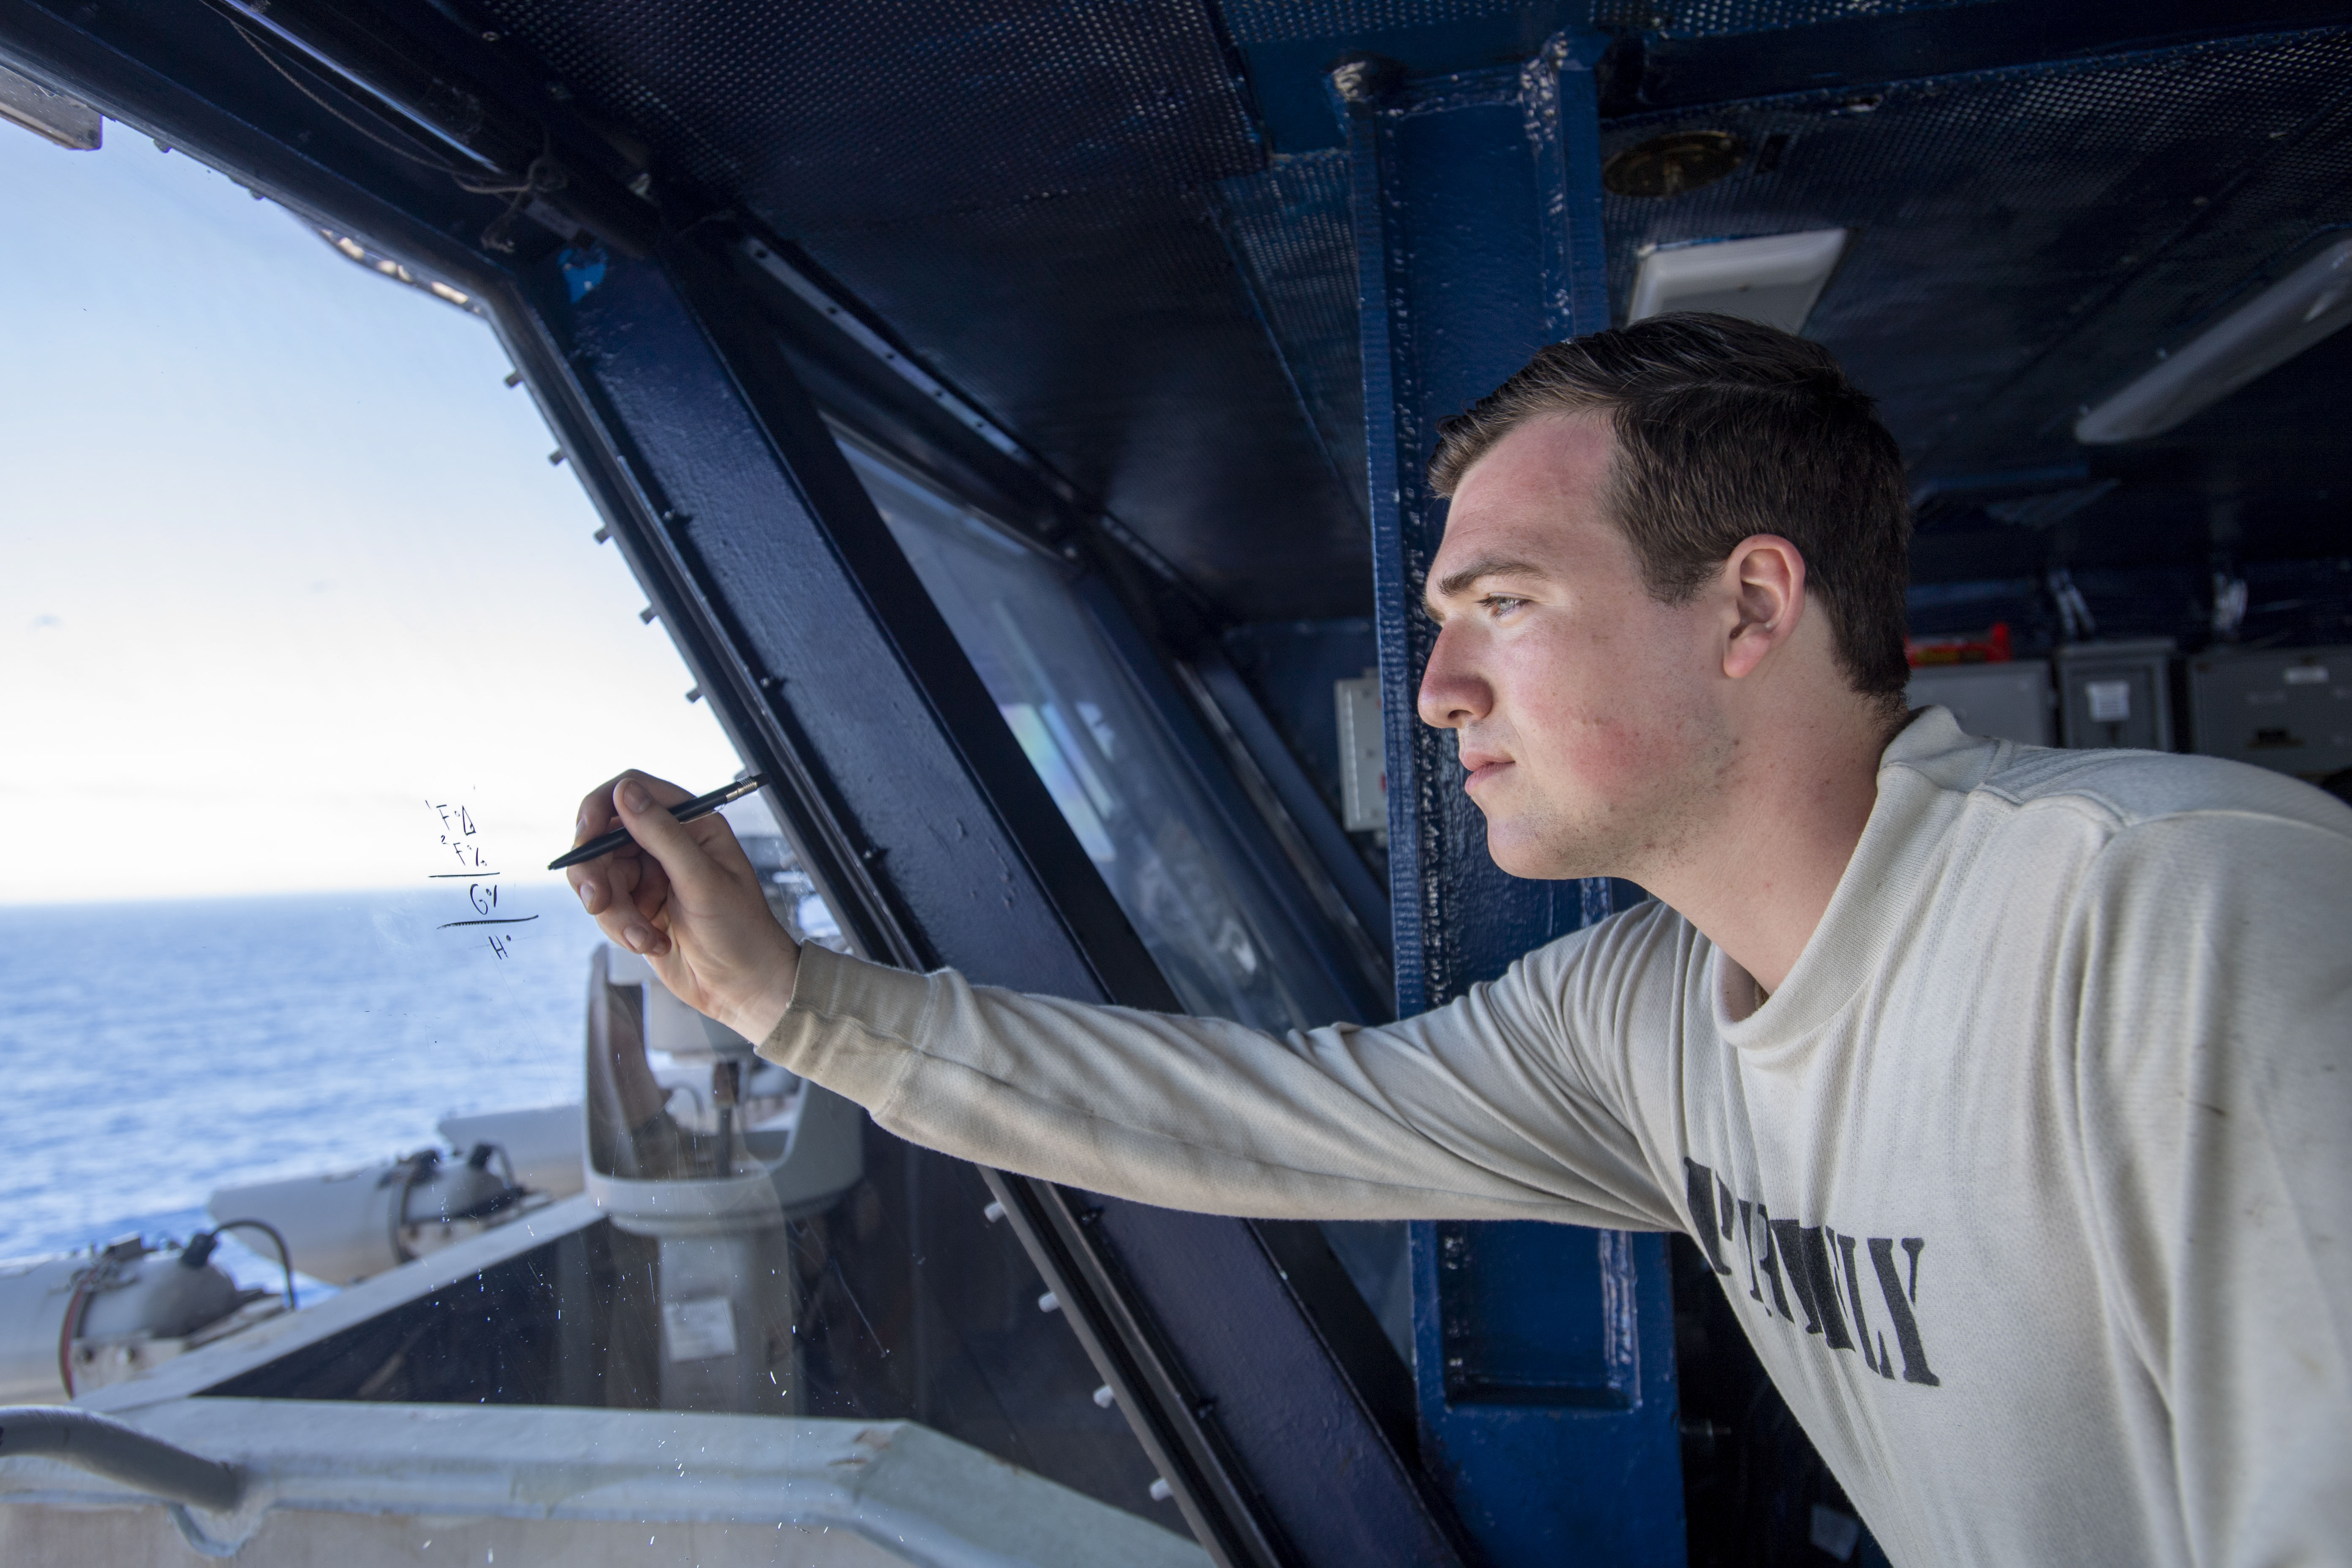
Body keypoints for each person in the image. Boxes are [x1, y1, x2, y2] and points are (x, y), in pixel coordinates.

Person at [566, 314, 2352, 1568]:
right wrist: (783, 1004)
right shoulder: (1640, 1016)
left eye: (1504, 607)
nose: (1433, 692)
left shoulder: (2173, 921)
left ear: (1748, 607)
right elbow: (1248, 1119)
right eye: (1444, 619)